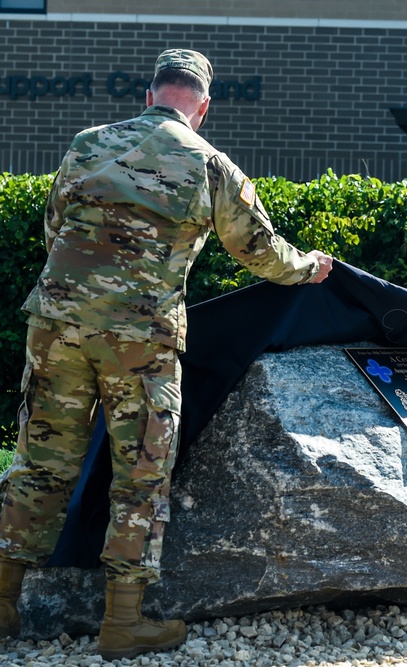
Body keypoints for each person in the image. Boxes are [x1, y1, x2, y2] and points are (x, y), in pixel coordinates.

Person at [0, 49, 333, 659]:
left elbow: (54, 230)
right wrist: (313, 268)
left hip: (57, 325)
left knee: (40, 463)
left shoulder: (86, 143)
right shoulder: (210, 165)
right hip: (142, 341)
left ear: (151, 94)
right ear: (201, 108)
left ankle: (2, 602)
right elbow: (263, 255)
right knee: (140, 475)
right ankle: (122, 622)